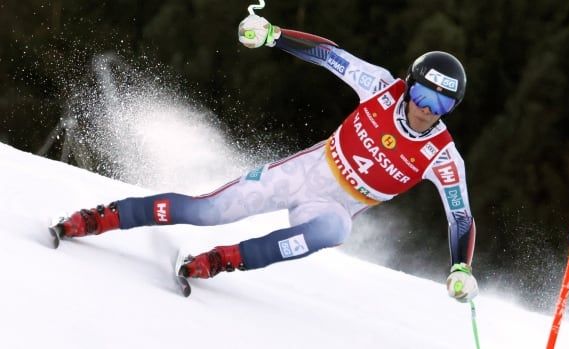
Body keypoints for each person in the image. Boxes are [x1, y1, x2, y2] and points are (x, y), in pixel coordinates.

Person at [53, 14, 478, 302]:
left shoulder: (442, 157)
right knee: (206, 211)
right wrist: (272, 33)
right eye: (422, 95)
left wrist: (461, 266)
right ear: (408, 86)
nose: (426, 110)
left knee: (336, 229)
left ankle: (222, 260)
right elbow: (329, 54)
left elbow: (460, 218)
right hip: (298, 176)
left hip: (330, 206)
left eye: (440, 106)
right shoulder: (381, 87)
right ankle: (99, 218)